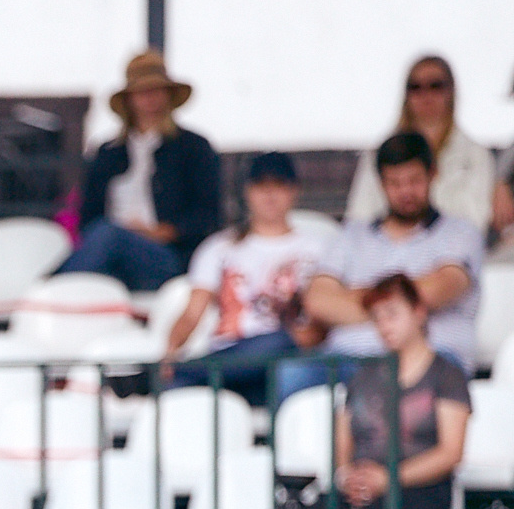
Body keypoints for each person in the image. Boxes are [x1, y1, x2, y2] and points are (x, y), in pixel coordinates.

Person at [316, 275, 470, 509]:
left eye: (392, 314)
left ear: (419, 311)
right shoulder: (363, 375)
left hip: (422, 487)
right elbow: (342, 439)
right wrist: (349, 476)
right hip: (364, 486)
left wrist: (387, 479)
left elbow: (451, 453)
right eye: (376, 317)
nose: (384, 325)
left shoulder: (447, 374)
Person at [302, 133, 486, 380]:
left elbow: (439, 289)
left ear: (433, 174)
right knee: (290, 375)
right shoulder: (350, 234)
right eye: (395, 183)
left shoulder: (460, 232)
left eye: (414, 180)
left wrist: (352, 297)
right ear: (380, 183)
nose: (405, 191)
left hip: (432, 360)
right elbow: (318, 302)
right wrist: (402, 302)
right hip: (347, 360)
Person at [160, 153, 322, 406]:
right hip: (230, 362)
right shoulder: (219, 247)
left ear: (294, 191)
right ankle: (184, 372)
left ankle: (181, 371)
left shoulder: (318, 248)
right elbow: (192, 312)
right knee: (175, 390)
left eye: (278, 186)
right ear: (248, 191)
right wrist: (171, 350)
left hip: (286, 361)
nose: (269, 195)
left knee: (281, 341)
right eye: (261, 186)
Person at [58, 50, 221, 292]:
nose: (150, 99)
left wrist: (163, 232)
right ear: (129, 99)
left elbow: (208, 213)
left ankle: (54, 291)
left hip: (167, 258)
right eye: (142, 93)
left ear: (168, 95)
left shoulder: (193, 147)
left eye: (156, 90)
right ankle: (60, 292)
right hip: (113, 256)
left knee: (108, 234)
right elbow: (88, 215)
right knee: (105, 236)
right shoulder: (108, 152)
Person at [345, 57, 497, 234]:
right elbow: (358, 218)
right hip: (385, 254)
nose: (426, 95)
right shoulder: (378, 154)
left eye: (435, 85)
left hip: (451, 255)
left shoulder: (476, 155)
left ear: (451, 91)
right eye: (416, 87)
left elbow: (474, 221)